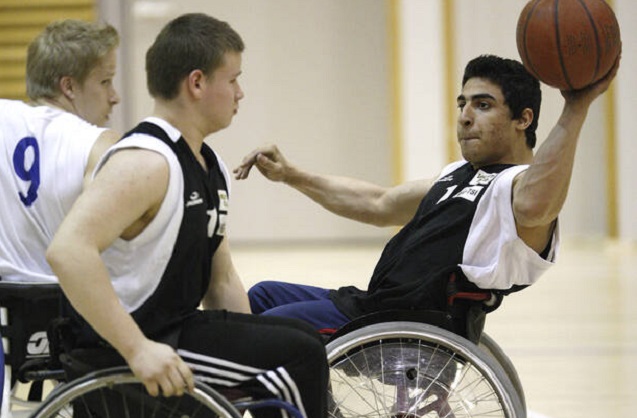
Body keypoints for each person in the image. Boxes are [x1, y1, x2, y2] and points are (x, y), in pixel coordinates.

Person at [46, 13, 327, 417]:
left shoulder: (208, 164)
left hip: (175, 331)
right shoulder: (145, 161)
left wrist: (250, 335)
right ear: (197, 83)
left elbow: (222, 279)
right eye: (233, 80)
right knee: (297, 356)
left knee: (296, 340)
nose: (241, 92)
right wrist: (137, 348)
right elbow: (68, 251)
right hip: (121, 348)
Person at [234, 54, 620, 340]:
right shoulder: (457, 174)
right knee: (259, 297)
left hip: (405, 325)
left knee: (259, 336)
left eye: (482, 105)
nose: (465, 116)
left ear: (524, 119)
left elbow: (538, 202)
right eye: (462, 104)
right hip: (372, 306)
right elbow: (378, 204)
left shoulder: (517, 189)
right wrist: (290, 175)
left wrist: (575, 106)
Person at [0, 19, 121, 283]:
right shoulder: (98, 143)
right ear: (68, 87)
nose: (114, 96)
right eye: (105, 81)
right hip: (66, 309)